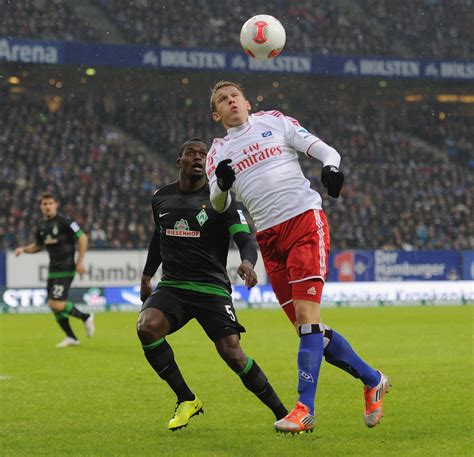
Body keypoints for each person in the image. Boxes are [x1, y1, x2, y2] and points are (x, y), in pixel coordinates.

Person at [207, 81, 390, 434]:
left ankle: (304, 409)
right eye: (222, 101)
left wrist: (331, 169)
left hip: (304, 221)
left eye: (235, 97)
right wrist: (223, 183)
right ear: (217, 114)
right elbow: (217, 203)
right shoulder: (218, 151)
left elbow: (325, 150)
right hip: (269, 240)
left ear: (247, 102)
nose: (231, 102)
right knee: (311, 332)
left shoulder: (274, 122)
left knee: (308, 320)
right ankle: (372, 379)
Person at [137, 137, 288, 431]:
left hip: (211, 288)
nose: (197, 157)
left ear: (208, 163)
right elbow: (159, 237)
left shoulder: (222, 199)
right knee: (147, 327)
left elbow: (245, 238)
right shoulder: (161, 197)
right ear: (179, 162)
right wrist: (146, 275)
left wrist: (247, 262)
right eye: (190, 153)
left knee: (232, 353)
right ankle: (186, 399)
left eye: (202, 154)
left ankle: (283, 413)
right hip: (173, 287)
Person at [15, 193, 95, 347]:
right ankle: (71, 337)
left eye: (50, 203)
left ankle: (85, 317)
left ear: (56, 205)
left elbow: (83, 238)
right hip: (53, 270)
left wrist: (80, 262)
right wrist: (23, 249)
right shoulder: (41, 225)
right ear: (41, 207)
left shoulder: (65, 221)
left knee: (56, 304)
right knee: (54, 306)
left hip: (66, 267)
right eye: (44, 204)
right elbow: (38, 246)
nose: (48, 206)